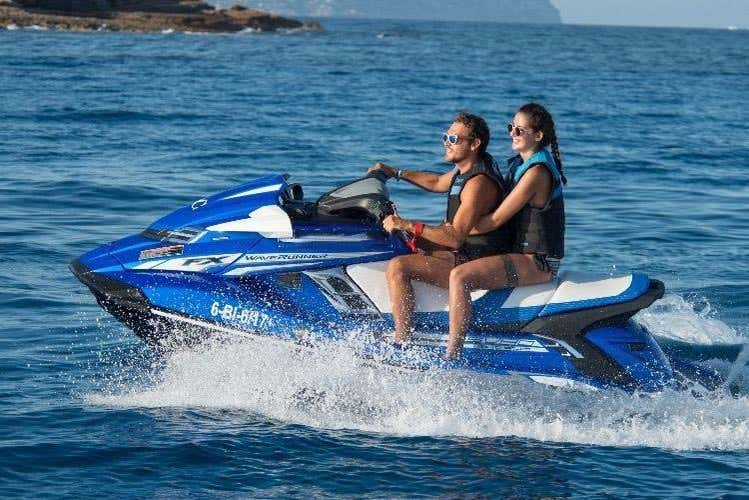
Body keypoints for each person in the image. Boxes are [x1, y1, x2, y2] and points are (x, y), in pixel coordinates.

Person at [371, 112, 513, 344]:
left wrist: (407, 224)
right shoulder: (466, 170)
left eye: (454, 139)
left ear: (475, 144)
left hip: (474, 260)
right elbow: (436, 182)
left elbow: (455, 237)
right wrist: (395, 173)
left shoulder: (478, 183)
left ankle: (402, 341)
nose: (447, 142)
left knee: (399, 267)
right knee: (404, 244)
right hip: (462, 253)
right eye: (446, 137)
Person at [445, 103, 567, 359]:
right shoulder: (518, 165)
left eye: (519, 130)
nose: (512, 133)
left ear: (538, 136)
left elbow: (496, 220)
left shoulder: (537, 173)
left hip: (538, 262)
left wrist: (457, 230)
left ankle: (452, 354)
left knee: (460, 277)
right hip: (522, 256)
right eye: (511, 128)